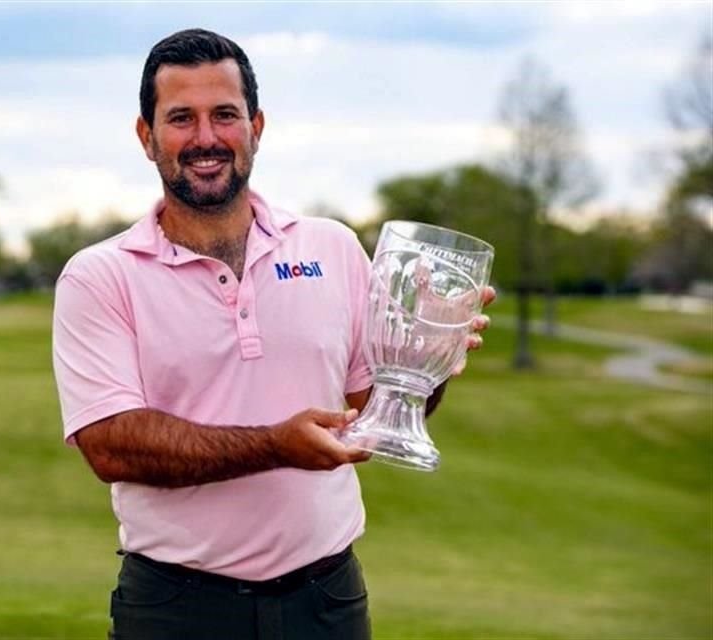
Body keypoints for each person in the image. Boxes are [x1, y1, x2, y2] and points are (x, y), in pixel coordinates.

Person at [52, 28, 493, 640]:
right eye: (181, 117)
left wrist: (428, 355)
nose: (206, 138)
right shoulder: (101, 275)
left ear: (256, 127)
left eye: (225, 115)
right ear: (146, 135)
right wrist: (275, 445)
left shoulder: (331, 246)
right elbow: (111, 445)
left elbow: (377, 409)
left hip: (327, 600)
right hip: (176, 608)